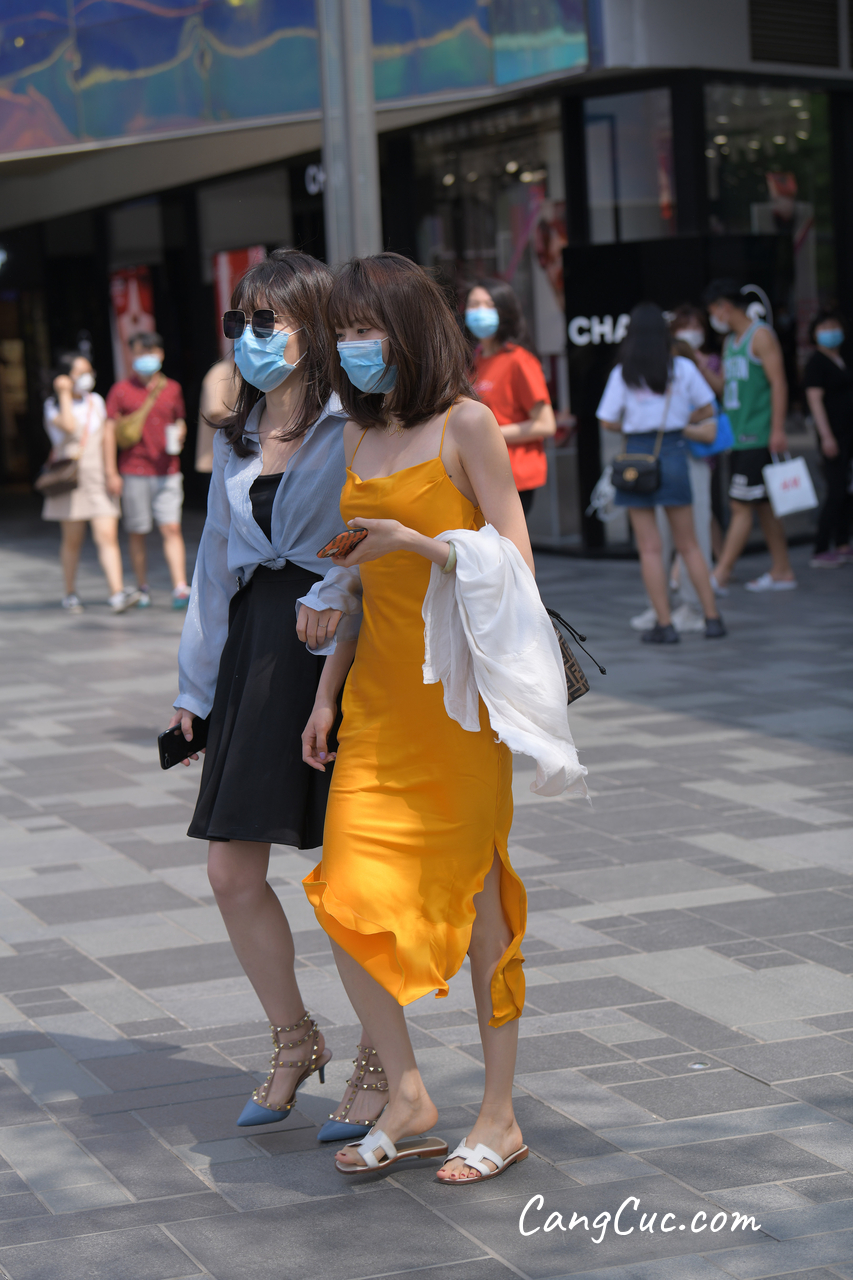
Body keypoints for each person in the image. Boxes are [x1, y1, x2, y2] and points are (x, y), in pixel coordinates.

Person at [299, 253, 572, 1182]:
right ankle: (408, 1092)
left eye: (363, 329)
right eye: (340, 332)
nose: (350, 346)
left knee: (482, 905)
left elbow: (516, 564)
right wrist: (325, 691)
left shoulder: (468, 424)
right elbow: (361, 584)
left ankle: (499, 1115)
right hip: (374, 703)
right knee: (344, 895)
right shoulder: (355, 435)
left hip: (456, 708)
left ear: (408, 330)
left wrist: (424, 544)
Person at [168, 250, 377, 1132]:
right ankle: (294, 1038)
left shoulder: (357, 421)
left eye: (265, 322)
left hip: (339, 645)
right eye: (238, 324)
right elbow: (215, 569)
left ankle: (382, 1059)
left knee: (349, 873)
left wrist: (334, 585)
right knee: (229, 869)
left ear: (312, 326)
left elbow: (373, 525)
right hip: (257, 647)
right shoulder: (236, 434)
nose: (247, 338)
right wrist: (193, 691)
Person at [597, 303, 726, 644]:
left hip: (637, 457)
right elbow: (708, 407)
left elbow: (607, 421)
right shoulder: (682, 368)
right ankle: (712, 618)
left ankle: (664, 624)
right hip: (673, 450)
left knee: (650, 548)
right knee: (689, 544)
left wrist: (635, 424)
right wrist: (678, 419)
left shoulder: (623, 372)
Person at [702, 280, 796, 593]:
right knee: (763, 506)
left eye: (713, 311)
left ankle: (720, 574)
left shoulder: (761, 336)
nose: (713, 318)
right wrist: (701, 366)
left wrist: (778, 428)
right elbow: (724, 388)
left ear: (724, 307)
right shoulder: (730, 342)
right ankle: (782, 570)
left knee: (740, 506)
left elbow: (779, 382)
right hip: (738, 436)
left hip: (758, 435)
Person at [41, 351, 140, 614]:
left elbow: (107, 436)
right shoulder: (52, 405)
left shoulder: (95, 400)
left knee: (107, 535)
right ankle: (70, 593)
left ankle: (116, 593)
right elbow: (68, 426)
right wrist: (63, 393)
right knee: (72, 539)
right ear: (65, 377)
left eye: (89, 372)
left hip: (97, 475)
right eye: (80, 373)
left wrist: (111, 472)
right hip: (70, 478)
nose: (87, 377)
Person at [103, 332, 191, 609]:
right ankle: (143, 587)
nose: (146, 358)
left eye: (151, 352)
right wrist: (111, 472)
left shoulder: (172, 388)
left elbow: (180, 420)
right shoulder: (120, 390)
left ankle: (180, 586)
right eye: (140, 352)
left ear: (161, 354)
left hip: (168, 469)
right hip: (134, 470)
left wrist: (180, 432)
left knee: (171, 527)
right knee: (137, 531)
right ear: (131, 355)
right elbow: (108, 431)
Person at [465, 279, 556, 517]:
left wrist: (491, 434)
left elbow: (546, 424)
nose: (479, 311)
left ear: (504, 311)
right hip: (482, 474)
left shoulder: (519, 361)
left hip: (514, 475)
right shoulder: (474, 362)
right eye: (473, 304)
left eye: (488, 304)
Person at [803, 311, 852, 568]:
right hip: (832, 435)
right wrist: (826, 436)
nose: (831, 331)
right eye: (824, 327)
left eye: (834, 326)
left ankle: (843, 542)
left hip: (848, 433)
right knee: (835, 490)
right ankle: (821, 547)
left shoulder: (843, 358)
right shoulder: (816, 363)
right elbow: (815, 401)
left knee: (846, 489)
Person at [195, 354, 238, 474]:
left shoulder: (245, 372)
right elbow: (215, 413)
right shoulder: (219, 372)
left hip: (235, 457)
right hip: (216, 458)